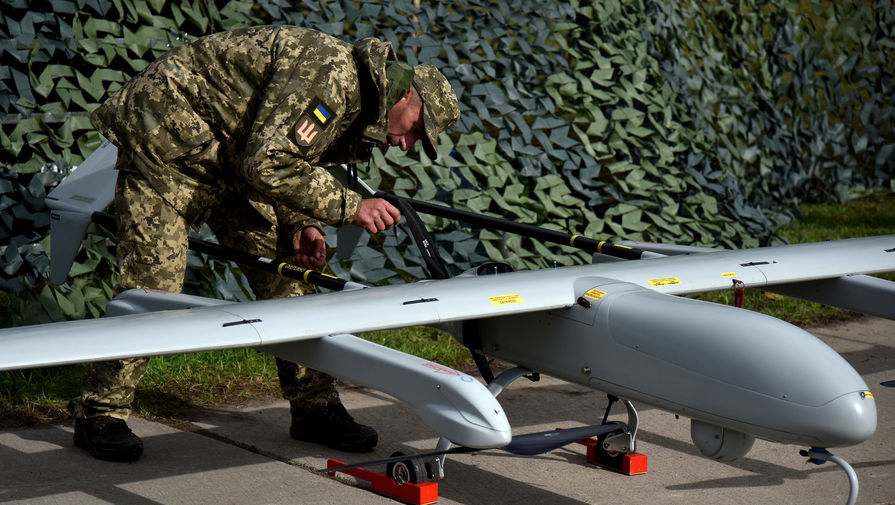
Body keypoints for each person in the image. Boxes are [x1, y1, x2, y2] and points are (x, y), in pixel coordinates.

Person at [68, 25, 460, 462]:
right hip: (166, 139)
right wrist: (352, 207)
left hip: (230, 157)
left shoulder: (358, 103)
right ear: (408, 98)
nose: (406, 145)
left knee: (293, 279)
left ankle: (314, 409)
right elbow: (268, 162)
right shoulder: (332, 76)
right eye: (416, 131)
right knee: (153, 289)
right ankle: (99, 411)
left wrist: (299, 224)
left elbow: (291, 158)